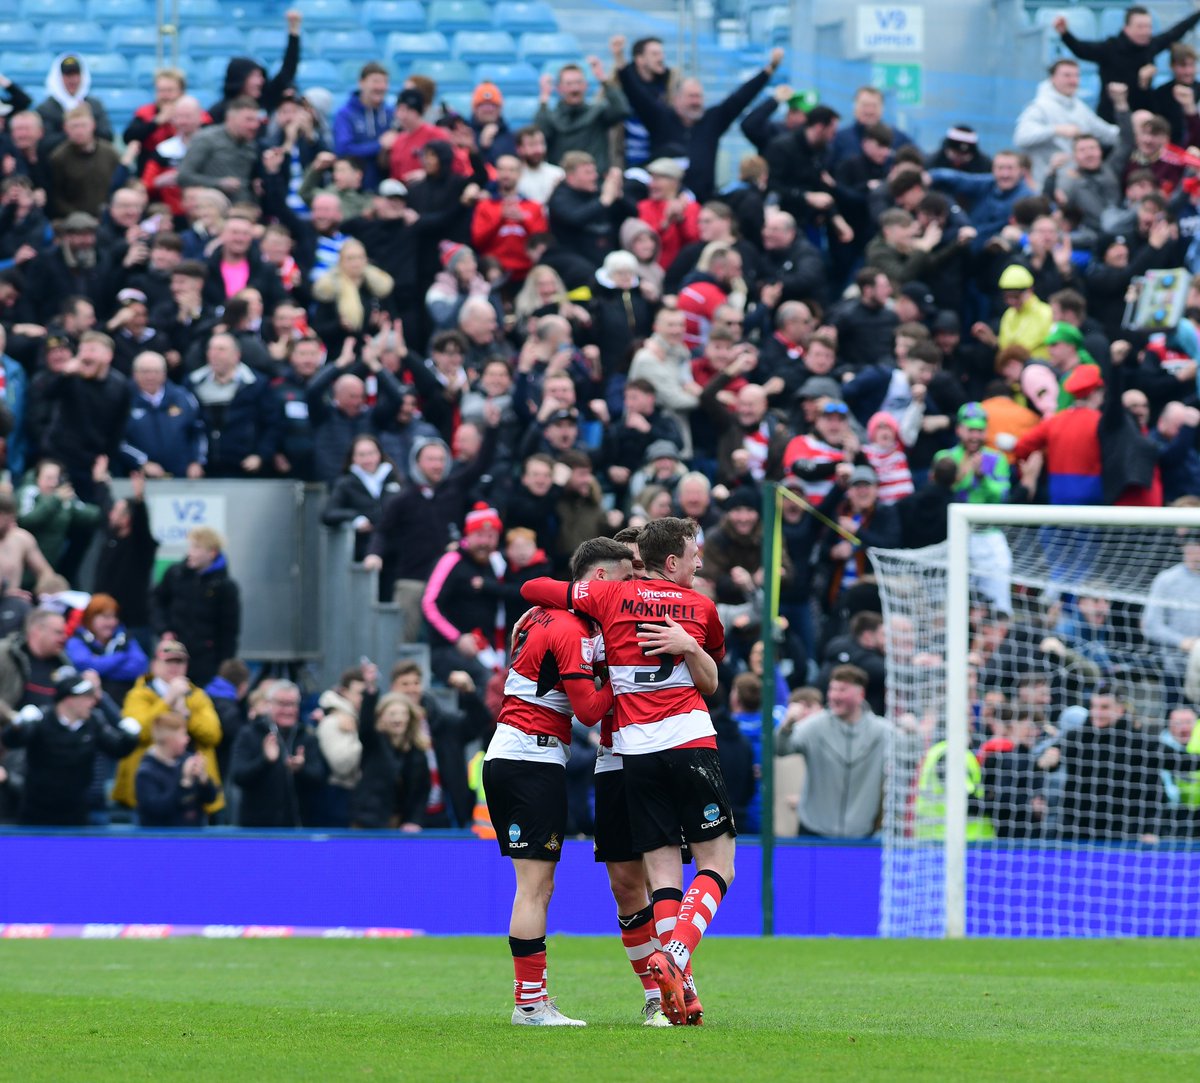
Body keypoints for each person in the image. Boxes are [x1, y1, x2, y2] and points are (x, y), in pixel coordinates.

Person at [521, 517, 727, 1027]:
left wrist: (689, 647)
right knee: (630, 884)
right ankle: (668, 985)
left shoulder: (615, 606)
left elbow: (711, 676)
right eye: (625, 568)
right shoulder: (583, 615)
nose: (634, 575)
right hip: (622, 759)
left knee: (662, 874)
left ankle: (671, 990)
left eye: (639, 565)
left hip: (640, 750)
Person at [485, 536, 633, 1026]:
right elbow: (589, 711)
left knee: (534, 886)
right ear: (601, 579)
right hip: (531, 756)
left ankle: (531, 1000)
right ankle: (529, 1004)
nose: (630, 589)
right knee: (535, 888)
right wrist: (624, 676)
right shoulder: (571, 628)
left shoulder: (537, 617)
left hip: (513, 753)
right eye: (625, 579)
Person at [0, 668, 140, 826]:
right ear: (69, 699)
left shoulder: (94, 722)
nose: (92, 702)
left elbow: (117, 749)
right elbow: (11, 741)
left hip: (76, 809)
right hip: (36, 809)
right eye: (86, 697)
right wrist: (18, 725)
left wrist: (130, 737)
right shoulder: (42, 719)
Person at [112, 639, 224, 819]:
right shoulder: (138, 695)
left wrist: (188, 716)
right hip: (150, 787)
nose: (175, 666)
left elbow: (213, 735)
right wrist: (167, 700)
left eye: (180, 661)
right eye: (168, 661)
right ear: (154, 664)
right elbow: (137, 733)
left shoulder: (198, 696)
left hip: (193, 794)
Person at [775, 663, 889, 836]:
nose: (834, 695)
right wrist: (787, 725)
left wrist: (913, 731)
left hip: (861, 836)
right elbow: (781, 749)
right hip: (813, 831)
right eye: (832, 689)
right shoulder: (814, 726)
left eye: (842, 690)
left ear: (860, 695)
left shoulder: (882, 731)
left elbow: (909, 753)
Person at [1053, 6, 1200, 122]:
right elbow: (1082, 50)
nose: (1146, 31)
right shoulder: (1110, 48)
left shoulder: (1151, 46)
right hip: (1112, 116)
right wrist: (1065, 34)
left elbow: (1176, 32)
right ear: (1126, 28)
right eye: (1140, 27)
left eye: (1148, 27)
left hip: (1142, 116)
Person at [152, 527, 241, 688]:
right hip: (174, 655)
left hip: (206, 664)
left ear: (212, 553)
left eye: (197, 548)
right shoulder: (175, 574)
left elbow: (229, 631)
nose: (190, 552)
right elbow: (156, 602)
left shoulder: (225, 587)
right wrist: (164, 630)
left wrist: (223, 667)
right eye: (190, 546)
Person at [231, 679, 325, 828]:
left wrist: (301, 769)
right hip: (257, 830)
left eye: (292, 704)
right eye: (282, 704)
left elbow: (319, 777)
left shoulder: (307, 737)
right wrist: (264, 760)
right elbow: (238, 776)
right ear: (269, 705)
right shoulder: (249, 734)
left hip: (298, 828)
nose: (288, 710)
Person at [1013, 59, 1119, 187]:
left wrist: (1134, 129)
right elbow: (1021, 137)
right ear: (1053, 78)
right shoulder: (1039, 107)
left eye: (1076, 76)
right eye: (1067, 75)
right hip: (1043, 184)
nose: (1073, 81)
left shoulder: (1080, 107)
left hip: (1074, 184)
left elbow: (1106, 133)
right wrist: (1055, 130)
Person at [352, 682, 431, 831]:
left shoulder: (418, 752)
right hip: (368, 821)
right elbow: (365, 727)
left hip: (401, 824)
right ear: (382, 717)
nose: (398, 719)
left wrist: (415, 821)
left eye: (402, 714)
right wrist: (370, 693)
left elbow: (422, 791)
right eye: (393, 714)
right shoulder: (374, 743)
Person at [534, 58, 630, 175]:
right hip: (563, 181)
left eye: (579, 82)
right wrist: (543, 100)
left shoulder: (597, 113)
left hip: (596, 181)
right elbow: (539, 134)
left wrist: (603, 80)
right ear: (559, 88)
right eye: (569, 84)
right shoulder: (551, 117)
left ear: (586, 86)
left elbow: (622, 110)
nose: (575, 88)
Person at [121, 350, 206, 479]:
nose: (150, 377)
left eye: (156, 371)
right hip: (139, 477)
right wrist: (142, 461)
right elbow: (118, 440)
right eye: (144, 371)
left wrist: (196, 461)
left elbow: (197, 431)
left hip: (183, 477)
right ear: (134, 374)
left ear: (164, 374)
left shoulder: (183, 398)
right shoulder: (123, 399)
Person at [322, 435, 402, 562]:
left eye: (371, 453)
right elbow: (328, 514)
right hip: (362, 551)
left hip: (395, 550)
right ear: (353, 458)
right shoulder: (345, 484)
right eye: (361, 454)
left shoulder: (395, 479)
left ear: (379, 454)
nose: (367, 459)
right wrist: (355, 517)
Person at [134, 711, 218, 828]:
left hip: (193, 839)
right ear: (169, 739)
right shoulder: (146, 772)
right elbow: (156, 810)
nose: (187, 739)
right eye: (183, 735)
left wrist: (203, 779)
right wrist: (184, 783)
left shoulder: (187, 760)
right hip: (161, 840)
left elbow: (211, 798)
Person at [65, 593, 147, 705]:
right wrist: (121, 657)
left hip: (124, 702)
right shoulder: (77, 640)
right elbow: (83, 664)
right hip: (91, 704)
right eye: (106, 617)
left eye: (115, 617)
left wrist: (100, 667)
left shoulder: (124, 638)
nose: (112, 622)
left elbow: (140, 666)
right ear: (90, 617)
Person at [332, 62, 395, 190]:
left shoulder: (391, 114)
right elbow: (343, 150)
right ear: (361, 83)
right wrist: (379, 145)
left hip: (387, 189)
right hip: (355, 191)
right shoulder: (345, 114)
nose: (381, 87)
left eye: (385, 82)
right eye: (375, 81)